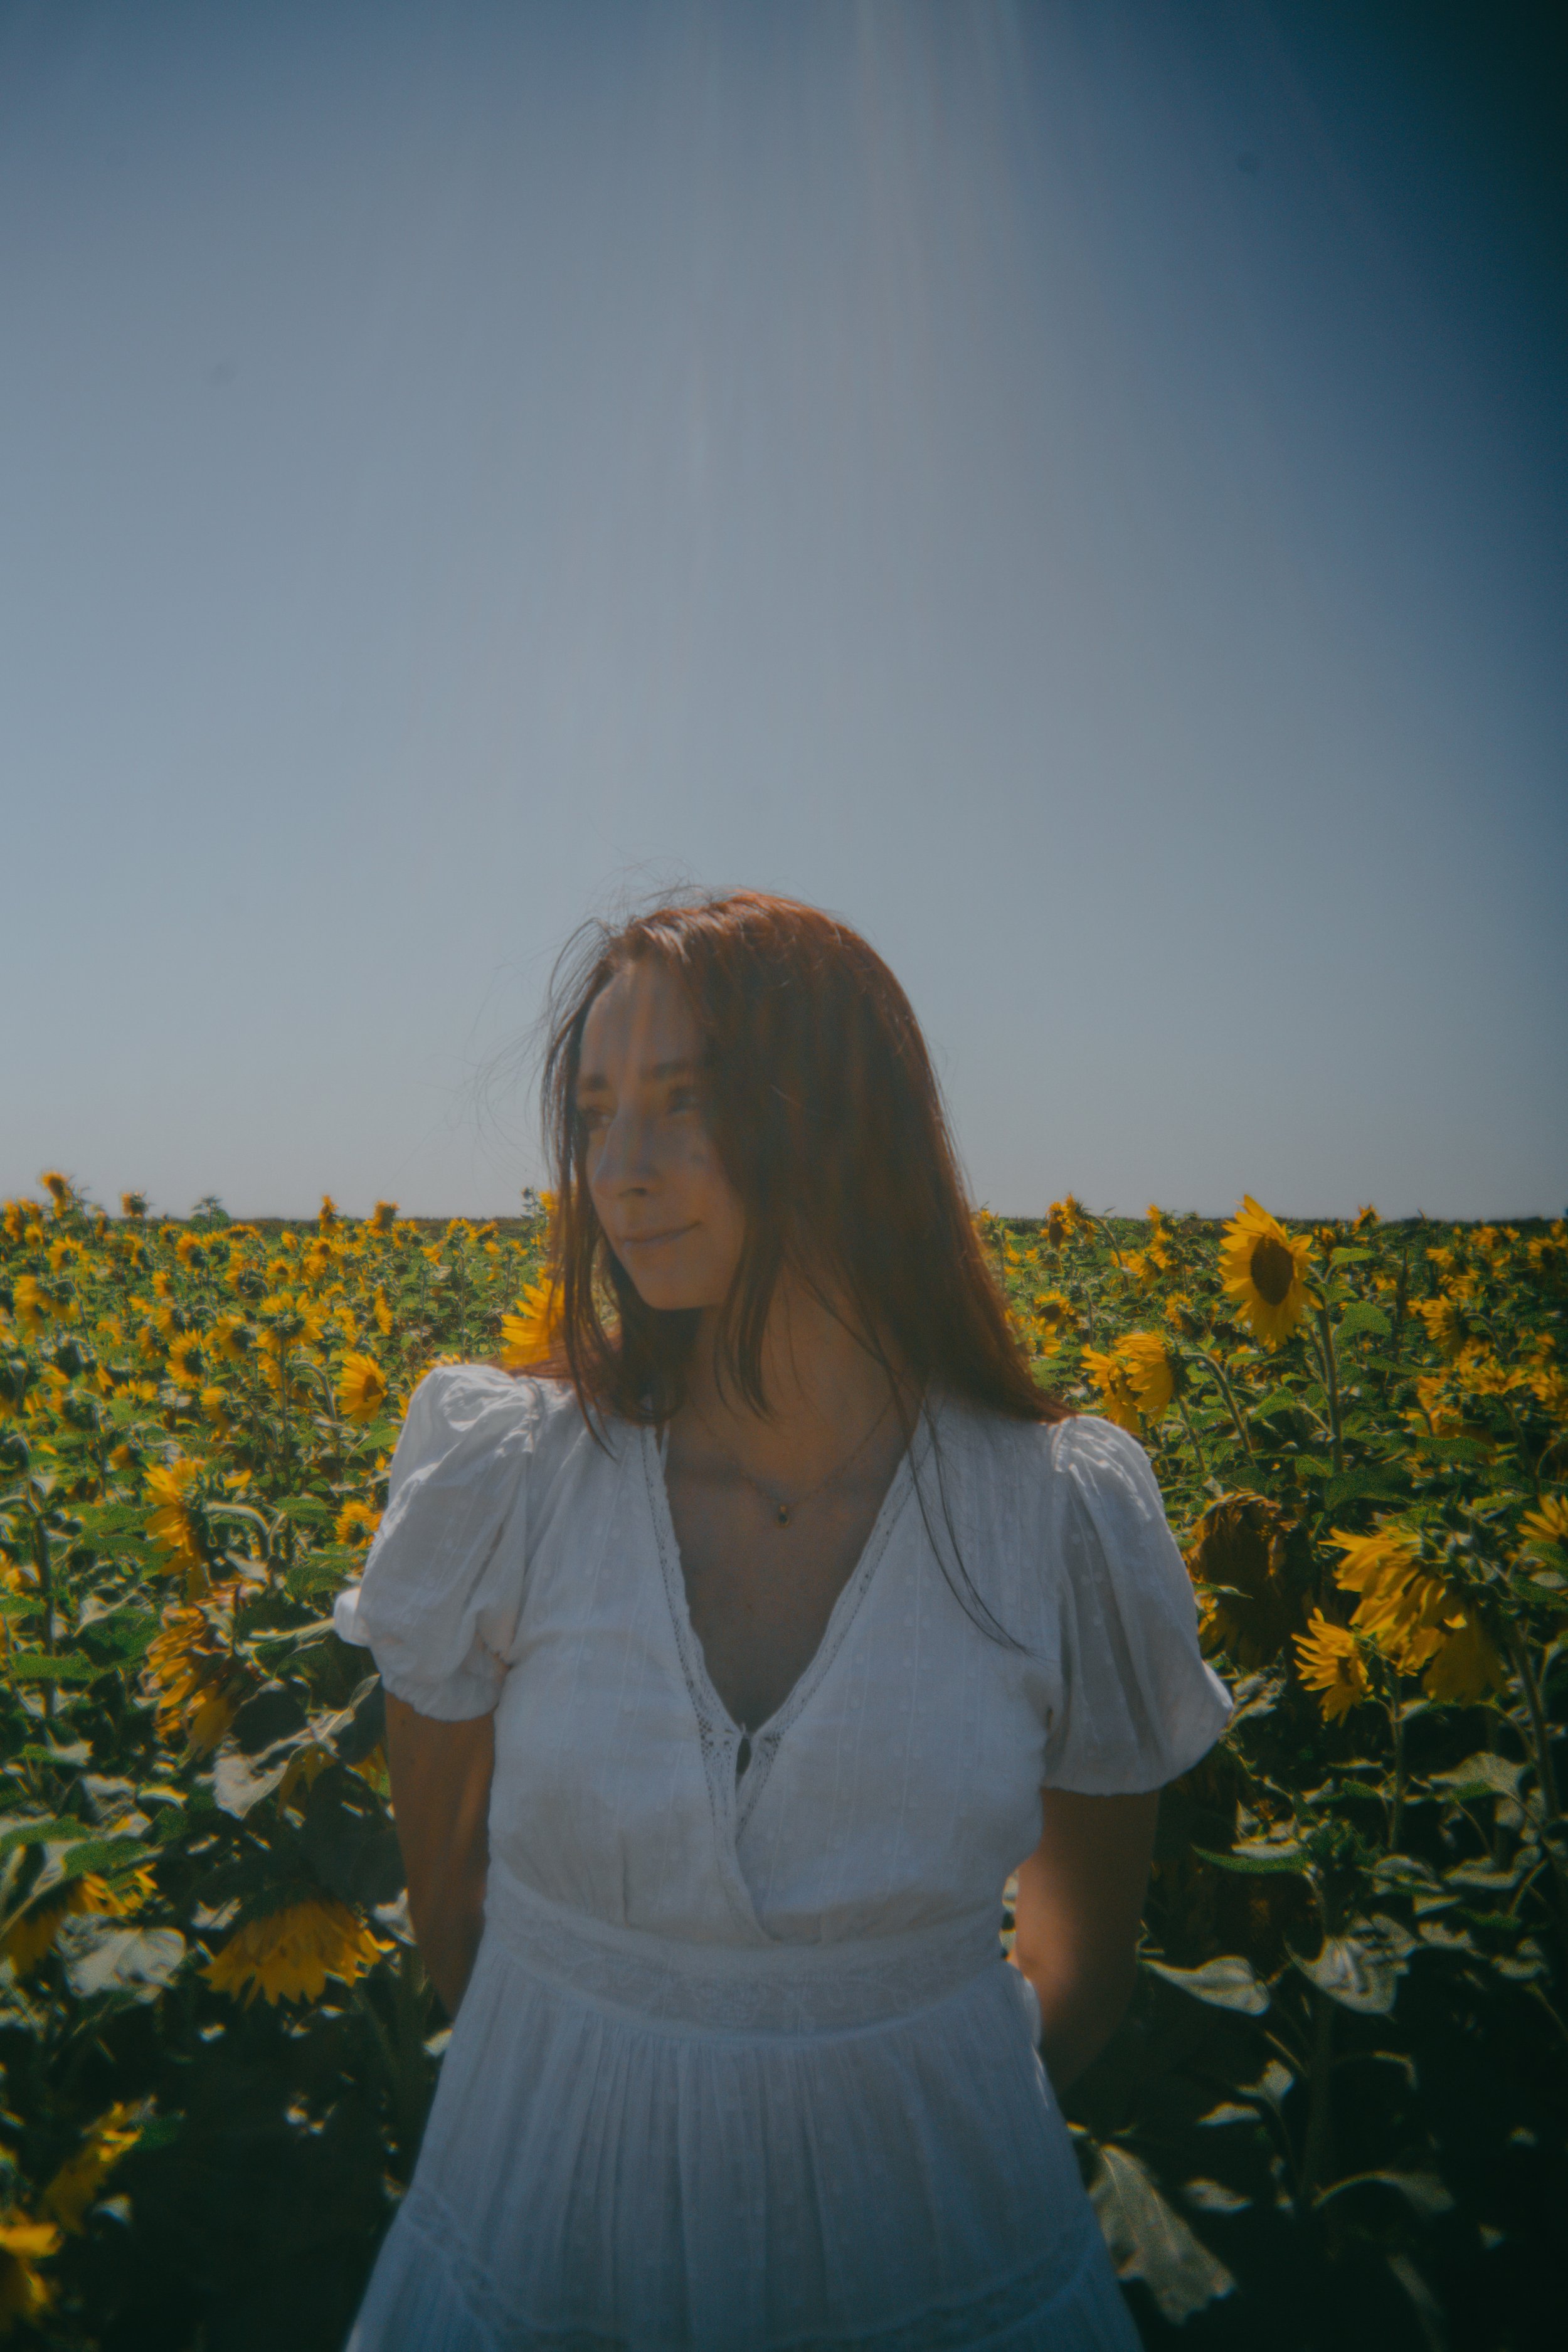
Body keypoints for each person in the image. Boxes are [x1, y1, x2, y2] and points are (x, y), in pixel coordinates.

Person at [335, 890, 1231, 2351]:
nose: (617, 1172)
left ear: (834, 1119)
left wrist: (855, 2081)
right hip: (543, 2217)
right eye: (593, 1112)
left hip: (941, 2243)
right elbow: (451, 1919)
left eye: (684, 1102)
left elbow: (1077, 1975)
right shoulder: (508, 1483)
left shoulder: (1056, 1516)